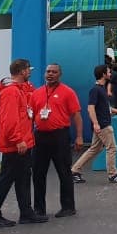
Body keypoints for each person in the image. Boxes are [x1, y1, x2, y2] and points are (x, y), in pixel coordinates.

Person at [0, 58, 46, 228]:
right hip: (16, 144)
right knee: (6, 180)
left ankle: (25, 212)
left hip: (22, 143)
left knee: (22, 179)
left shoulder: (17, 90)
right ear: (22, 71)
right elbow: (10, 120)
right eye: (28, 69)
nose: (30, 72)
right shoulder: (11, 92)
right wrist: (18, 140)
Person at [30, 63, 84, 218]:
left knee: (64, 172)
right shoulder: (37, 93)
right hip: (40, 136)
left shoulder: (68, 92)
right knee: (38, 173)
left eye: (54, 72)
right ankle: (39, 209)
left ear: (60, 74)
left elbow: (76, 115)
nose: (50, 74)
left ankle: (68, 207)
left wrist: (79, 136)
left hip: (59, 136)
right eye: (48, 71)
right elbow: (31, 116)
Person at [71, 65, 117, 184]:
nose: (110, 73)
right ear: (103, 74)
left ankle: (75, 170)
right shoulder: (96, 90)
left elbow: (105, 107)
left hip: (102, 124)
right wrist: (96, 124)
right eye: (108, 72)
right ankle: (113, 174)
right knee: (112, 148)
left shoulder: (100, 89)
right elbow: (90, 108)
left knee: (94, 149)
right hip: (103, 125)